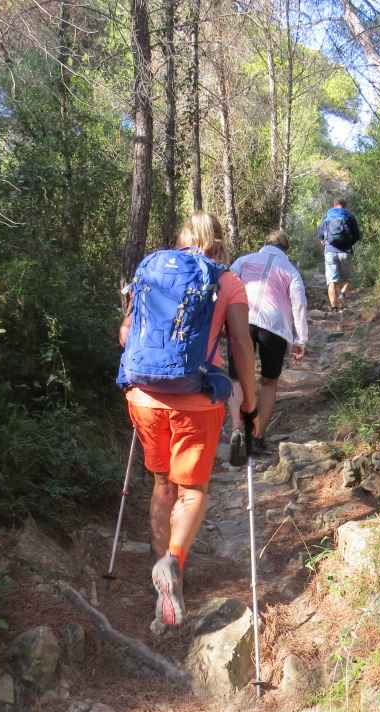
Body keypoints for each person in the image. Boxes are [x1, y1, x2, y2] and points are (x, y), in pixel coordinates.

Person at [119, 211, 259, 632]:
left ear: (180, 240)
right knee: (192, 491)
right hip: (196, 400)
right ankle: (173, 561)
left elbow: (125, 334)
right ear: (218, 244)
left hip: (143, 397)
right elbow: (240, 344)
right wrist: (248, 404)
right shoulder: (227, 281)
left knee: (163, 484)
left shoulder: (151, 271)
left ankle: (165, 587)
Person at [226, 229, 308, 454]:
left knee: (237, 377)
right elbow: (299, 304)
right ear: (286, 249)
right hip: (275, 326)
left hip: (242, 318)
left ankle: (236, 429)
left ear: (264, 243)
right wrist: (300, 339)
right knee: (269, 381)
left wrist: (222, 322)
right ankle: (257, 437)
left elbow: (227, 286)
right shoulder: (290, 270)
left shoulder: (244, 260)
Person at [317, 197, 361, 312]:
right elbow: (357, 235)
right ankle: (342, 295)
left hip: (330, 251)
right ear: (345, 206)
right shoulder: (349, 216)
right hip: (346, 252)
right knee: (346, 278)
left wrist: (324, 243)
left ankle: (334, 308)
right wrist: (349, 243)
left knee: (331, 281)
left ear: (334, 204)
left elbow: (320, 234)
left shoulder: (328, 215)